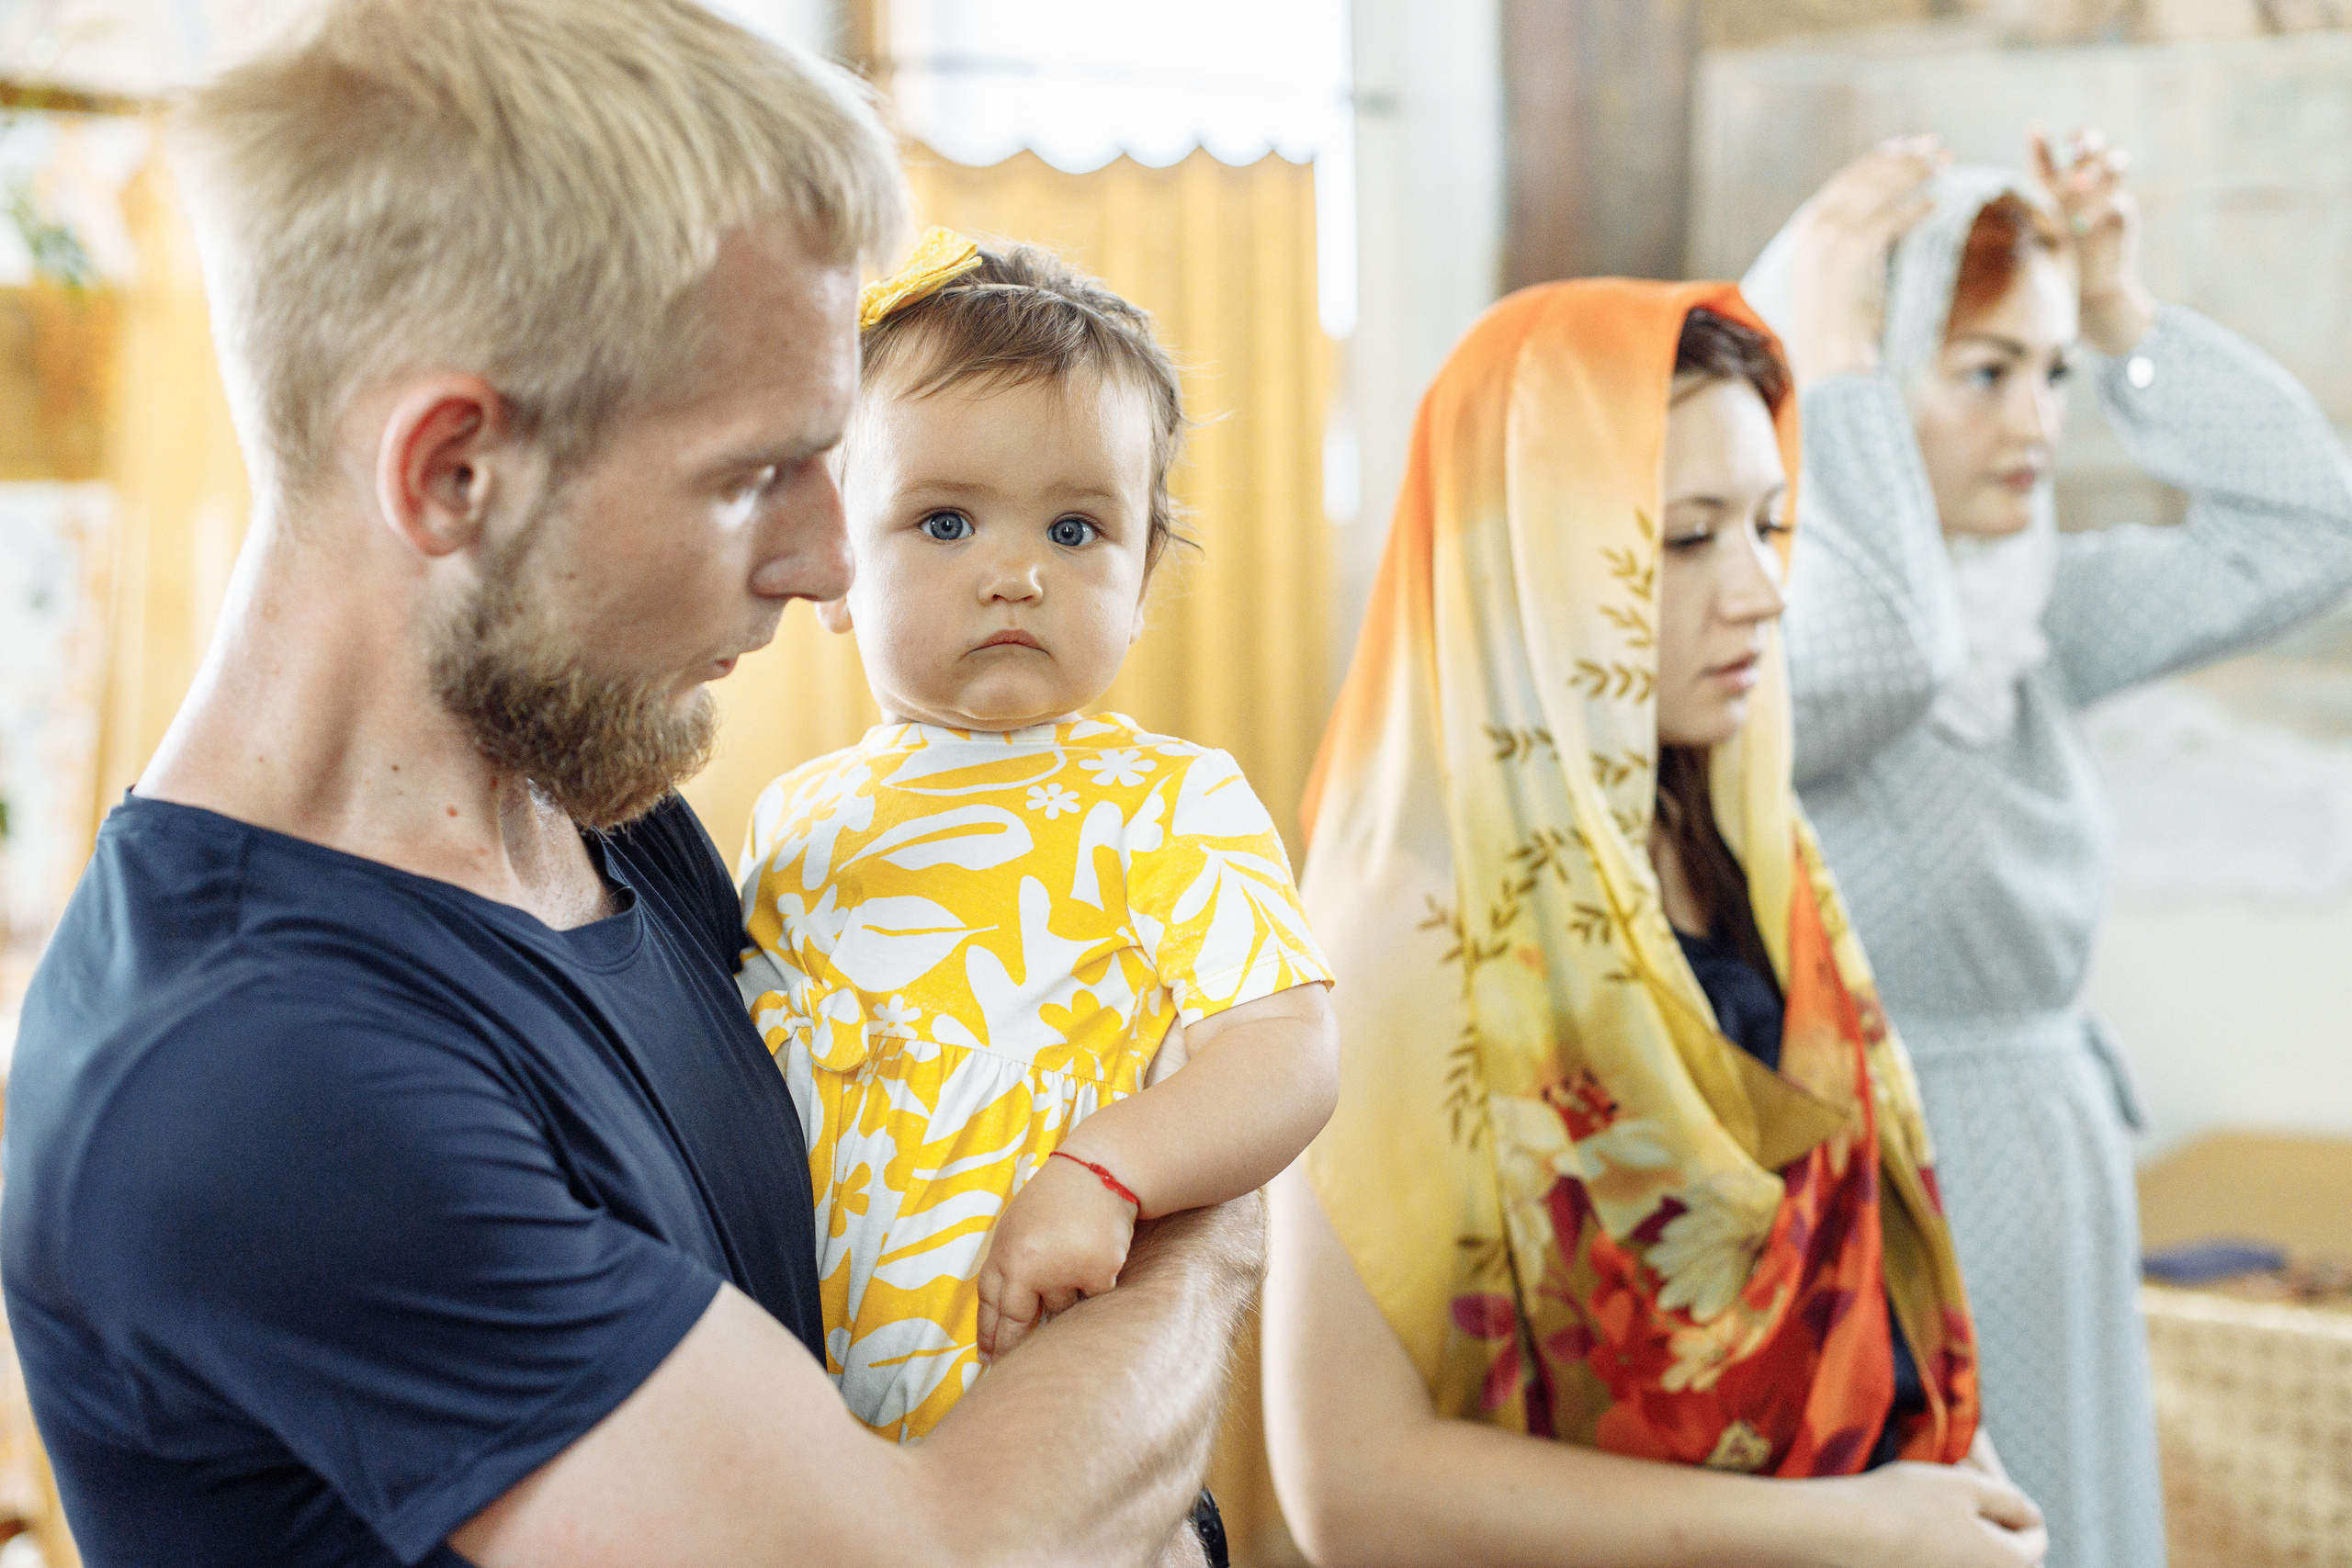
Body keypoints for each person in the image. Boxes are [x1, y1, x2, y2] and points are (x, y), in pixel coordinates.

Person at [0, 7, 1261, 1565]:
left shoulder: (589, 799)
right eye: (752, 477)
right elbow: (943, 1557)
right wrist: (1204, 1221)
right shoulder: (256, 1081)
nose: (825, 564)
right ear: (452, 472)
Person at [1261, 277, 2049, 1568]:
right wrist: (1843, 1532)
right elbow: (1348, 1489)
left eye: (1769, 525)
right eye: (1685, 540)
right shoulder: (1402, 934)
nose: (1762, 591)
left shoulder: (1744, 845)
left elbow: (1864, 1255)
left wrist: (1957, 1483)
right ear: (1528, 556)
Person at [1745, 130, 2352, 1568]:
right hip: (1876, 1208)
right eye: (1982, 372)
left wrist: (2128, 320)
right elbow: (1881, 650)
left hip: (2058, 1185)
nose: (2037, 424)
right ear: (1859, 379)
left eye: (2054, 372)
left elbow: (2312, 534)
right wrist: (1828, 370)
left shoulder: (2028, 623)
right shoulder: (1764, 650)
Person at [735, 231, 1340, 1441]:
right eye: (945, 522)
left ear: (1143, 576)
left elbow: (1286, 1053)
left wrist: (1109, 1170)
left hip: (1043, 1410)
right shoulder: (792, 821)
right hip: (810, 1435)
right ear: (836, 562)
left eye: (1073, 531)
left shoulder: (1165, 800)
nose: (1014, 574)